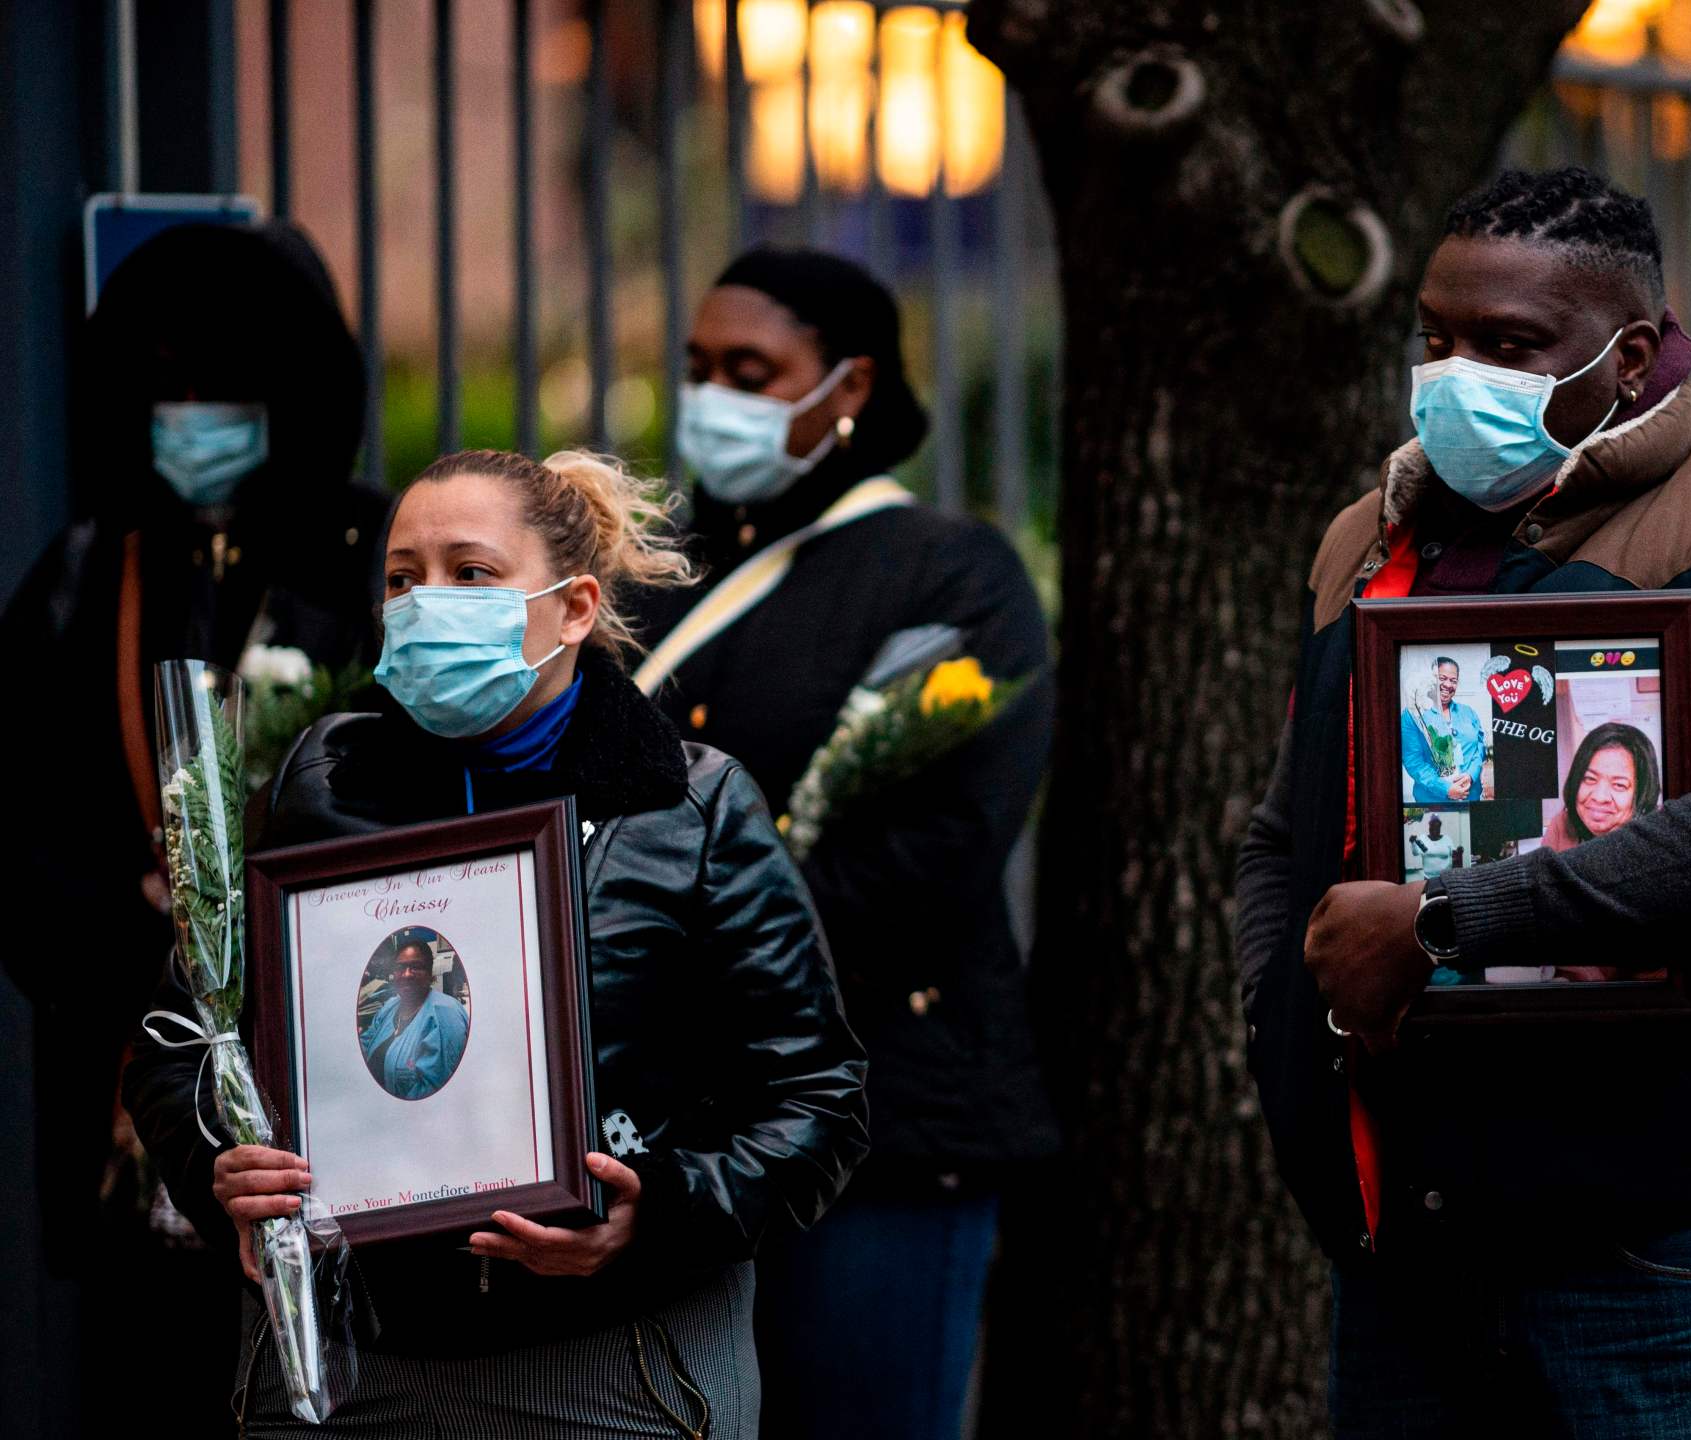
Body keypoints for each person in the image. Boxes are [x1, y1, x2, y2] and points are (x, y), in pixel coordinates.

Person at [1236, 166, 1691, 1436]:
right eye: (1434, 338)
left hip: (1659, 1265)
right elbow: (1287, 833)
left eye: (1505, 344)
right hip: (1402, 1255)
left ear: (1629, 351)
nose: (1451, 373)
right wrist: (1284, 1012)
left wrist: (1436, 922)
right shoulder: (1364, 542)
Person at [123, 448, 868, 1433]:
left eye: (471, 574)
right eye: (402, 578)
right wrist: (222, 1164)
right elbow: (182, 1038)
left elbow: (816, 1096)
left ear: (574, 607)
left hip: (609, 1369)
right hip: (346, 1367)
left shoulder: (689, 807)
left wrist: (661, 1215)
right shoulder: (317, 789)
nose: (428, 603)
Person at [639, 246, 1056, 1440]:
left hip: (885, 1120)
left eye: (753, 370)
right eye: (699, 367)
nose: (713, 396)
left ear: (851, 386)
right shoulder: (655, 574)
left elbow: (945, 846)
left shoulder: (948, 573)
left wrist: (685, 941)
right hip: (677, 1128)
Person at [0, 219, 383, 1427]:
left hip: (340, 1091)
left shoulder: (376, 561)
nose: (190, 413)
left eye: (222, 386)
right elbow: (16, 832)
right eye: (164, 385)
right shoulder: (87, 571)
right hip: (130, 1096)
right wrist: (153, 943)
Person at [358, 939, 471, 1100]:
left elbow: (434, 1092)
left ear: (430, 973)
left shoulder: (445, 1013)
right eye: (400, 968)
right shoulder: (390, 1006)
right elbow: (365, 1044)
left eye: (416, 967)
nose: (406, 974)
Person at [1538, 720, 1662, 852]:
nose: (1599, 797)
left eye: (1619, 785)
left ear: (1643, 792)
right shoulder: (1562, 826)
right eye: (1589, 779)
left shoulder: (1657, 842)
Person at [1401, 656, 1486, 802]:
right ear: (1430, 679)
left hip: (1470, 797)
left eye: (1453, 681)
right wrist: (1445, 789)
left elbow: (1479, 749)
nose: (1448, 685)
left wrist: (1470, 775)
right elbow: (1413, 761)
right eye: (1442, 678)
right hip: (1433, 801)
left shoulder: (1468, 713)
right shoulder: (1413, 714)